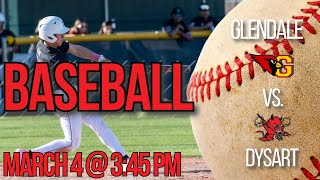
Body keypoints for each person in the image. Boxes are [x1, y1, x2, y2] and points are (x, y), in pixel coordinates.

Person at [15, 16, 129, 164]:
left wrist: (99, 59)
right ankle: (27, 156)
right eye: (60, 34)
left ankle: (124, 159)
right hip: (63, 98)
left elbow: (75, 49)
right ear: (49, 35)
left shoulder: (47, 43)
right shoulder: (53, 58)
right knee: (71, 144)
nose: (64, 36)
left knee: (98, 123)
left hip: (69, 92)